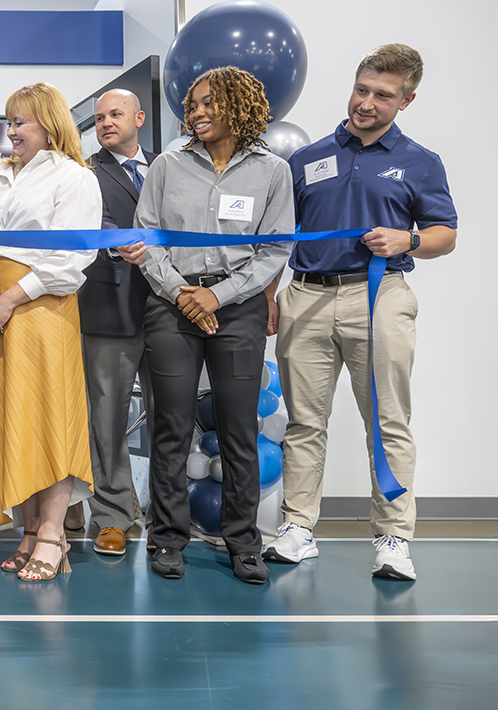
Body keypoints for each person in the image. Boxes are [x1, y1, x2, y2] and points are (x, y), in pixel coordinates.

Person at [266, 44, 457, 582]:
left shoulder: (421, 161)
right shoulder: (307, 158)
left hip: (380, 295)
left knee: (388, 420)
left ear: (406, 100)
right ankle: (298, 528)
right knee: (304, 421)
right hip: (305, 295)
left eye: (383, 96)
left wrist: (408, 238)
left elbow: (446, 235)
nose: (367, 103)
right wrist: (269, 298)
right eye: (362, 89)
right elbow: (282, 238)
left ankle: (393, 537)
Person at [134, 66, 294, 585]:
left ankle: (244, 543)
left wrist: (217, 295)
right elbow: (146, 238)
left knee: (238, 429)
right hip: (172, 303)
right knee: (172, 427)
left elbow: (274, 251)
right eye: (192, 104)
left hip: (239, 305)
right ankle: (167, 539)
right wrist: (184, 292)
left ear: (240, 106)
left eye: (209, 103)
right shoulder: (166, 164)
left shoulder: (272, 171)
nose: (197, 112)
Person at [0, 82, 102, 582]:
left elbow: (73, 258)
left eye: (20, 122)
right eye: (9, 121)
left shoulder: (75, 178)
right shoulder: (0, 177)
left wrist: (10, 300)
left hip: (41, 311)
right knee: (7, 421)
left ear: (50, 123)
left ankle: (52, 534)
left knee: (48, 422)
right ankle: (27, 528)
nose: (10, 131)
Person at [77, 89, 158, 557]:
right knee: (107, 420)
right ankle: (112, 515)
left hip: (170, 306)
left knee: (171, 419)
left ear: (139, 118)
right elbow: (92, 226)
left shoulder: (169, 168)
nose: (106, 122)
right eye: (100, 117)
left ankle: (167, 516)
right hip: (108, 307)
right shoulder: (87, 172)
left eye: (115, 114)